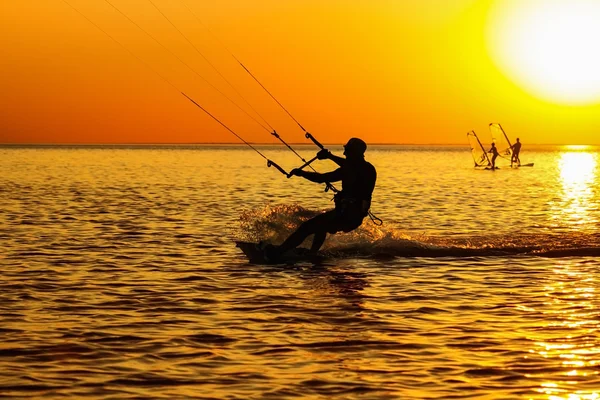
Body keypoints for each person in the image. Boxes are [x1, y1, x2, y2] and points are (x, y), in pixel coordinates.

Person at [263, 138, 377, 261]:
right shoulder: (368, 168)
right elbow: (351, 165)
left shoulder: (350, 169)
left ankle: (278, 252)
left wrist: (302, 173)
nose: (344, 153)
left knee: (307, 227)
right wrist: (330, 156)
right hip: (353, 216)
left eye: (347, 151)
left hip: (347, 215)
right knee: (321, 225)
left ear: (354, 152)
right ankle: (312, 254)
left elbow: (322, 178)